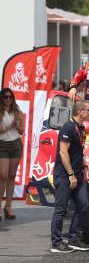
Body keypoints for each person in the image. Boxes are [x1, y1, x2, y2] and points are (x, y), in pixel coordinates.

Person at [50, 100, 89, 253]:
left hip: (78, 174)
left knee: (84, 205)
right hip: (65, 175)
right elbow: (63, 152)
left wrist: (85, 167)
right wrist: (71, 175)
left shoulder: (80, 127)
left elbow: (79, 151)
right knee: (60, 210)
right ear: (80, 111)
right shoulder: (68, 127)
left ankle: (74, 239)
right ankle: (56, 243)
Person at [0, 88, 24, 220]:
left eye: (10, 97)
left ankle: (8, 206)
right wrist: (9, 126)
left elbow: (21, 131)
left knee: (11, 175)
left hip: (15, 145)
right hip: (2, 145)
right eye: (5, 97)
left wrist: (16, 125)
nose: (8, 99)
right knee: (2, 175)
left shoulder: (17, 112)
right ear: (1, 98)